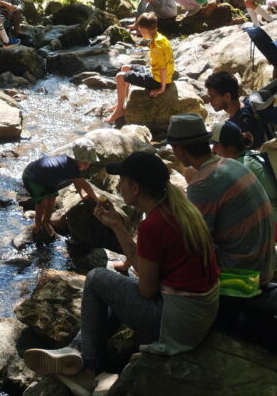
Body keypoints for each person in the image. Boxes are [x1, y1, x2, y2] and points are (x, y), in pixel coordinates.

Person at [23, 151, 218, 392]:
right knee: (116, 290)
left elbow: (147, 290)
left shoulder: (154, 225)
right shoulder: (178, 209)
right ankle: (76, 350)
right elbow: (153, 273)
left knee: (96, 278)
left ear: (134, 187)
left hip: (176, 324)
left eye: (121, 180)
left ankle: (86, 370)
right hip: (198, 314)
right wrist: (117, 225)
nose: (119, 185)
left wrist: (119, 230)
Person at [165, 113, 275, 297]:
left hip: (243, 279)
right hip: (264, 268)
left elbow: (195, 243)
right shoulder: (232, 164)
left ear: (179, 150)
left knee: (171, 264)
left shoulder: (203, 183)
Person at [211, 120, 277, 244]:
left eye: (216, 144)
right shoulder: (255, 154)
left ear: (229, 146)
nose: (213, 149)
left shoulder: (237, 168)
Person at [22, 140, 98, 241]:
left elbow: (77, 182)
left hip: (46, 178)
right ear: (78, 159)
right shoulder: (72, 167)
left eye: (89, 163)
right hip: (33, 177)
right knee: (42, 202)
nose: (88, 165)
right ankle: (37, 225)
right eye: (86, 162)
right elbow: (84, 184)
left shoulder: (72, 164)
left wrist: (81, 194)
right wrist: (96, 199)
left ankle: (46, 221)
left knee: (52, 198)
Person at [108, 12, 173, 124]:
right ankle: (122, 103)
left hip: (157, 80)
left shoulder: (157, 45)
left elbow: (163, 68)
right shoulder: (160, 37)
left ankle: (120, 110)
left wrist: (162, 88)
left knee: (120, 76)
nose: (138, 32)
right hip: (155, 72)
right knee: (125, 68)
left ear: (144, 29)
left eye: (139, 29)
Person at [204, 70, 263, 147]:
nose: (209, 101)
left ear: (227, 97)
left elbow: (250, 154)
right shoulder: (241, 109)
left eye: (212, 96)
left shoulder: (244, 122)